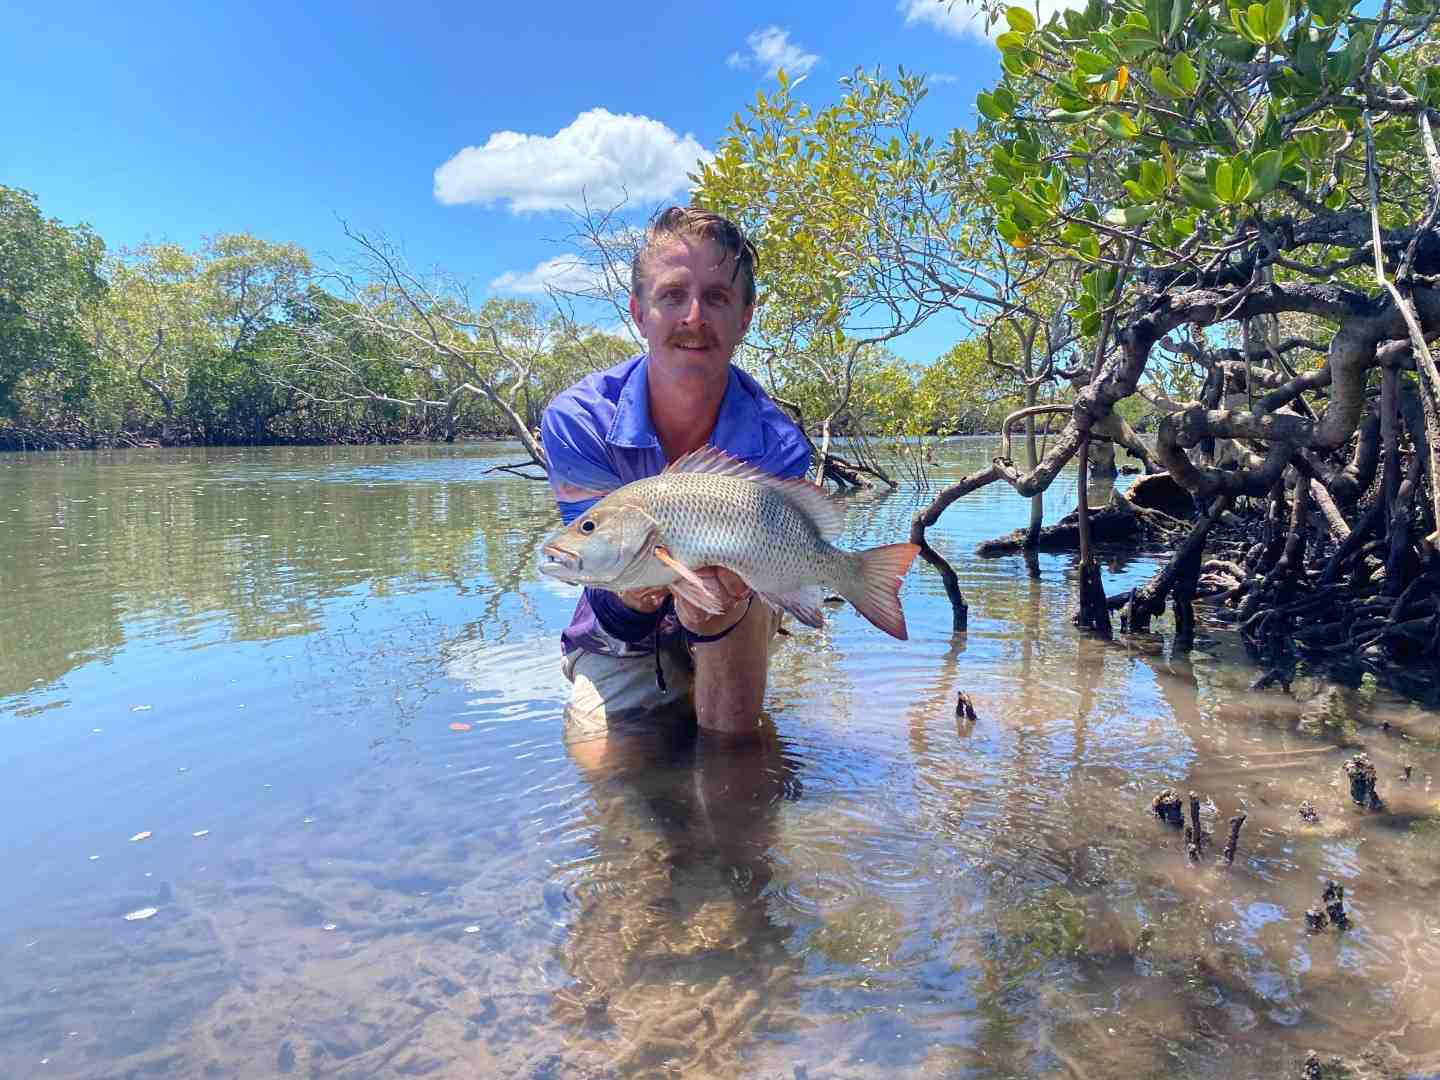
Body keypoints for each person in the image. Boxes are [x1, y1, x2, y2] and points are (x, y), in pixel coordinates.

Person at [540, 206, 810, 749]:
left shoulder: (779, 444)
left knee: (732, 756)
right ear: (639, 313)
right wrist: (643, 588)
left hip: (735, 611)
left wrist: (719, 597)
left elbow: (777, 568)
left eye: (717, 297)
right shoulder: (577, 419)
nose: (693, 316)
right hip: (621, 626)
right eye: (672, 295)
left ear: (745, 317)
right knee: (601, 761)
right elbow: (606, 590)